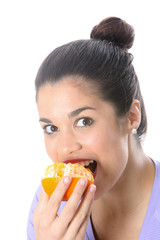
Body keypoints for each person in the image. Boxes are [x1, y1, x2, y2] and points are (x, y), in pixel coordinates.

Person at [27, 17, 160, 240]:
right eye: (51, 128)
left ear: (131, 117)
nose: (65, 148)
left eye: (84, 121)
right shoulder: (49, 209)